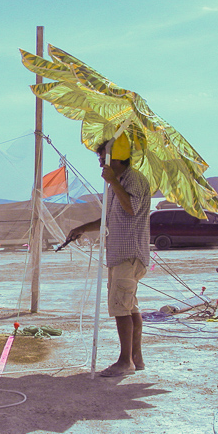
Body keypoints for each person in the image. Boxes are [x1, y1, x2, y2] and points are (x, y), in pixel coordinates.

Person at [65, 134, 151, 377]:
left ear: (118, 158)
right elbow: (110, 218)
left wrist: (114, 183)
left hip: (129, 254)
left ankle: (125, 362)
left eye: (104, 158)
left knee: (121, 308)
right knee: (130, 307)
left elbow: (131, 208)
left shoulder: (132, 180)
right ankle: (136, 358)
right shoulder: (117, 183)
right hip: (118, 255)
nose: (101, 164)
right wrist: (83, 228)